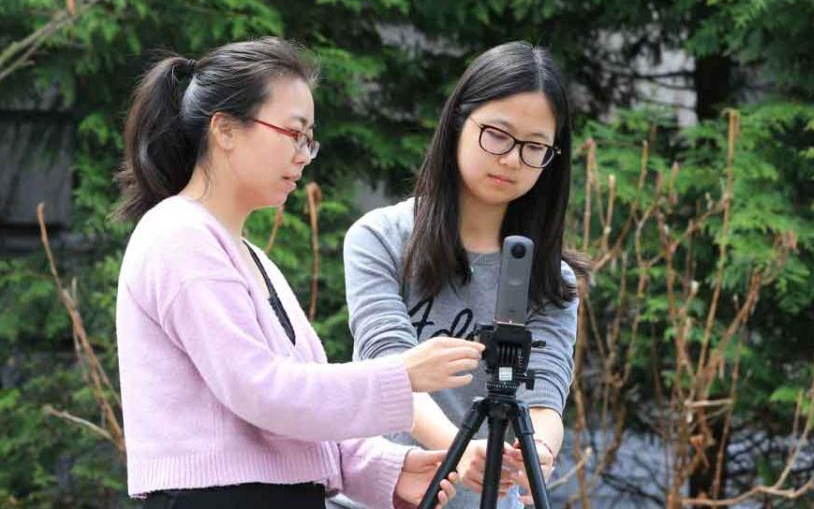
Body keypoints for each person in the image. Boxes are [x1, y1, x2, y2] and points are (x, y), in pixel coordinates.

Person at [114, 37, 483, 508]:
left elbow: (299, 406)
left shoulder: (248, 256)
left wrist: (387, 468)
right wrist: (401, 374)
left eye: (309, 140)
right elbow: (261, 391)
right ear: (225, 129)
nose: (304, 155)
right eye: (293, 134)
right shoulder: (179, 234)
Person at [341, 41, 585, 508]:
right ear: (458, 122)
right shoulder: (380, 238)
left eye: (534, 147)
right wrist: (461, 450)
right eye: (497, 135)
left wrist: (539, 450)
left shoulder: (551, 279)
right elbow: (389, 366)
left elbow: (545, 394)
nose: (512, 159)